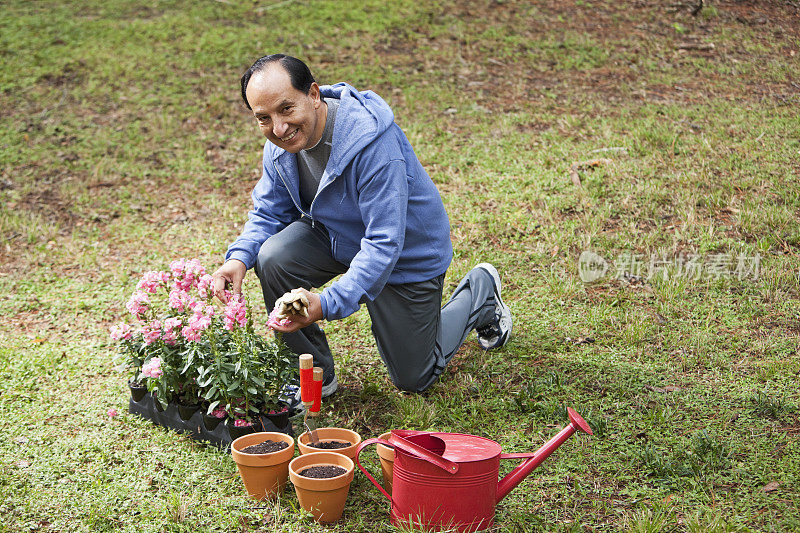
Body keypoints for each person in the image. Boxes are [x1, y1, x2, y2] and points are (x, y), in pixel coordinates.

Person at [212, 54, 512, 406]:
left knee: (414, 376)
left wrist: (326, 303)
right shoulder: (280, 147)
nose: (278, 128)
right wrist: (239, 258)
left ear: (313, 93)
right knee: (273, 257)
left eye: (286, 109)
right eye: (264, 118)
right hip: (337, 236)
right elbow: (268, 211)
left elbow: (384, 245)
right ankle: (313, 373)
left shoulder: (371, 144)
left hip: (403, 256)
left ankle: (481, 292)